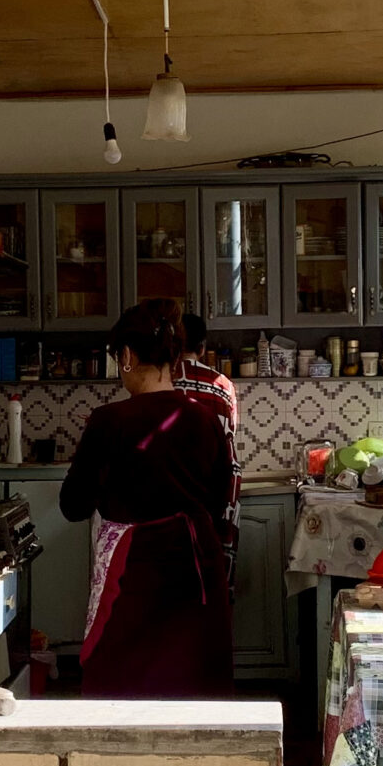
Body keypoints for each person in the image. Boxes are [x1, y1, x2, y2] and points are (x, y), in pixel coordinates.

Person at [61, 299, 236, 697]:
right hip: (197, 567)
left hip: (135, 574)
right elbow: (217, 497)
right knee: (194, 684)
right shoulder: (205, 419)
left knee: (124, 688)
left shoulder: (108, 421)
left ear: (125, 356)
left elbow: (73, 506)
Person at [169, 306, 240, 548]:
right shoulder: (223, 385)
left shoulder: (159, 380)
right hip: (215, 495)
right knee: (213, 573)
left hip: (170, 497)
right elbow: (231, 432)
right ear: (202, 348)